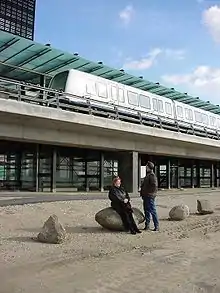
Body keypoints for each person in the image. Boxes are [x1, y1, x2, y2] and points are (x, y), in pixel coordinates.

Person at [140, 161, 159, 231]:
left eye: (146, 167)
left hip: (149, 196)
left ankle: (156, 226)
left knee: (152, 211)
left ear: (148, 167)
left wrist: (149, 193)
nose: (146, 168)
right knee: (147, 211)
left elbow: (154, 186)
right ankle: (147, 225)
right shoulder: (149, 175)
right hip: (146, 196)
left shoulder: (152, 176)